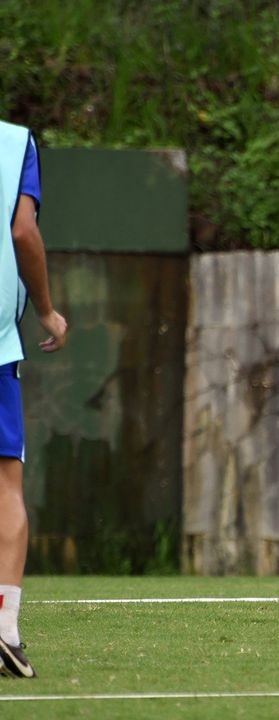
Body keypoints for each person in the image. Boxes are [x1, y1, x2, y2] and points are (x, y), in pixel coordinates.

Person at [0, 121, 68, 678]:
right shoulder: (13, 142)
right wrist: (46, 310)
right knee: (6, 486)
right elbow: (24, 231)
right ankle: (4, 626)